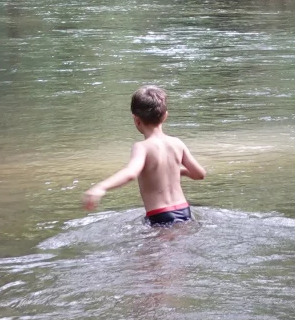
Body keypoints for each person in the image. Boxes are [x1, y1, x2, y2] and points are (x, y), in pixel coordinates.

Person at [83, 85, 206, 225]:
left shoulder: (142, 147)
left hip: (160, 214)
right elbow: (200, 174)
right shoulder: (177, 143)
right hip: (184, 210)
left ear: (136, 120)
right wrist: (178, 170)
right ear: (165, 115)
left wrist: (101, 187)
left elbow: (131, 173)